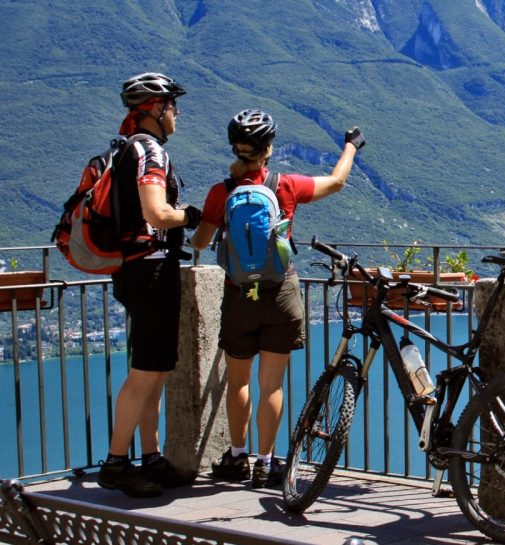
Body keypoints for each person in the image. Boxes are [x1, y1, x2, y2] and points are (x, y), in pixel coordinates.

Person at [190, 109, 364, 488]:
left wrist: (193, 225)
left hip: (238, 295)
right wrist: (351, 146)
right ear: (268, 149)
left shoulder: (221, 192)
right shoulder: (285, 186)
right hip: (280, 293)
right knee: (271, 384)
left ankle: (237, 457)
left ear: (235, 148)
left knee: (239, 381)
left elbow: (200, 242)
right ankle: (266, 464)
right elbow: (336, 182)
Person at [97, 72, 203, 497]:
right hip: (152, 269)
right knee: (144, 372)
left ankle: (151, 456)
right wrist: (189, 216)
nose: (178, 113)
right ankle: (116, 463)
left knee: (155, 367)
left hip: (135, 268)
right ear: (156, 109)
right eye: (173, 106)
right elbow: (156, 213)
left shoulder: (128, 148)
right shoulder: (150, 151)